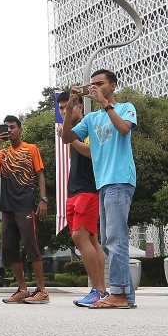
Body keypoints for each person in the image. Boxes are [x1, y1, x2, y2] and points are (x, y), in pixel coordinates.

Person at [63, 70, 138, 310]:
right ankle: (125, 295)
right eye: (92, 84)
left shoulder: (125, 107)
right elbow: (67, 138)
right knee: (107, 241)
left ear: (112, 86)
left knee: (116, 239)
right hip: (103, 182)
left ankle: (119, 294)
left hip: (120, 178)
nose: (94, 87)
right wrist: (69, 109)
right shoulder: (92, 118)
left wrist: (105, 104)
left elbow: (124, 129)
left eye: (100, 83)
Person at [0, 117, 49, 304]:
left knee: (31, 246)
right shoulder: (3, 153)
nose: (10, 130)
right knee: (10, 249)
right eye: (6, 127)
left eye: (13, 127)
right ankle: (22, 290)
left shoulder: (31, 149)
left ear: (20, 130)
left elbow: (40, 174)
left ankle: (42, 291)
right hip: (7, 207)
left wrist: (43, 199)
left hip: (25, 205)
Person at [57, 91, 107, 307]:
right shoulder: (74, 131)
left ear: (80, 107)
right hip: (74, 189)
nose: (64, 111)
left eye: (68, 106)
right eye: (61, 108)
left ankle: (98, 290)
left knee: (80, 236)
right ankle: (101, 290)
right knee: (91, 240)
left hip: (88, 188)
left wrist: (71, 138)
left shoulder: (89, 125)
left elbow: (92, 152)